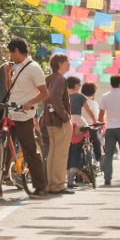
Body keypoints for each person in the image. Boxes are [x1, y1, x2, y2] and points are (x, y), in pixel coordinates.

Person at [3, 38, 49, 198]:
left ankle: (40, 186)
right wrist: (7, 73)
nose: (10, 56)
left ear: (16, 50)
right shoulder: (17, 67)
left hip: (24, 116)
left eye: (10, 52)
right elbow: (10, 89)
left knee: (29, 150)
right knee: (3, 148)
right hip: (11, 113)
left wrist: (30, 102)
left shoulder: (33, 68)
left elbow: (44, 93)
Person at [43, 53, 74, 195]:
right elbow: (55, 97)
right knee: (61, 154)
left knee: (53, 153)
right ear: (60, 63)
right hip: (59, 120)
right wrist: (65, 116)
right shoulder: (60, 79)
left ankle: (52, 184)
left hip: (49, 119)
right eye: (67, 61)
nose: (69, 63)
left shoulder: (50, 78)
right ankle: (59, 185)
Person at [97, 75, 120, 186]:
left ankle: (107, 178)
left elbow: (101, 114)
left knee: (108, 153)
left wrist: (100, 128)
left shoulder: (105, 96)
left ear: (110, 84)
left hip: (109, 128)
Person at [81, 82, 102, 163]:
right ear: (93, 93)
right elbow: (96, 118)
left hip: (80, 128)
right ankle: (98, 160)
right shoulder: (93, 103)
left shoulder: (78, 102)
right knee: (96, 146)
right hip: (92, 128)